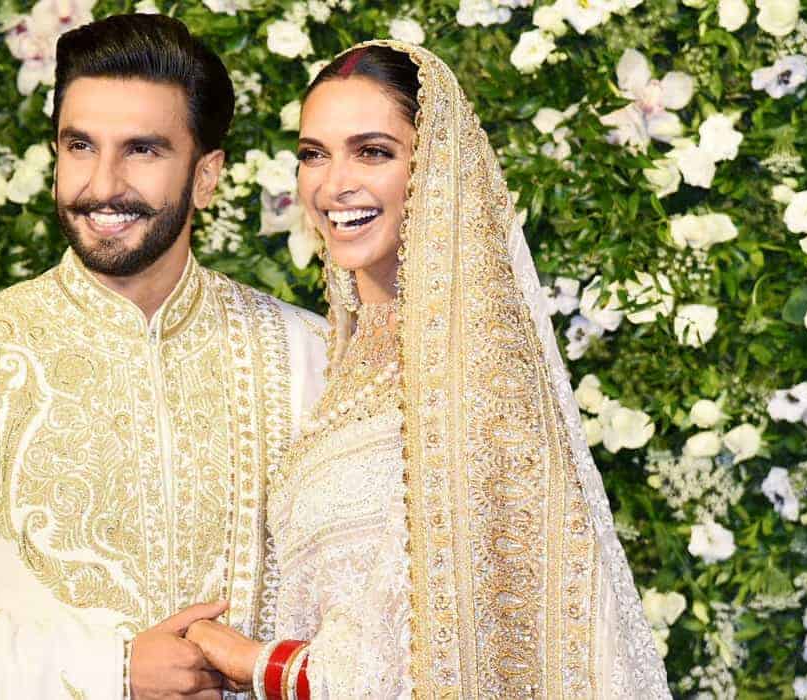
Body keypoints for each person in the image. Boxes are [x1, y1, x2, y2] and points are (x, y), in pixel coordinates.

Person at [0, 14, 327, 699]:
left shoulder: (312, 355)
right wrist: (113, 671)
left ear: (206, 176)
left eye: (142, 150)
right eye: (80, 146)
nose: (102, 184)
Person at [184, 41, 672, 699]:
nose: (333, 184)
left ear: (434, 169)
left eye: (372, 152)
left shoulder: (481, 379)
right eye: (314, 154)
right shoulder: (346, 364)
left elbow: (430, 658)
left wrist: (251, 662)